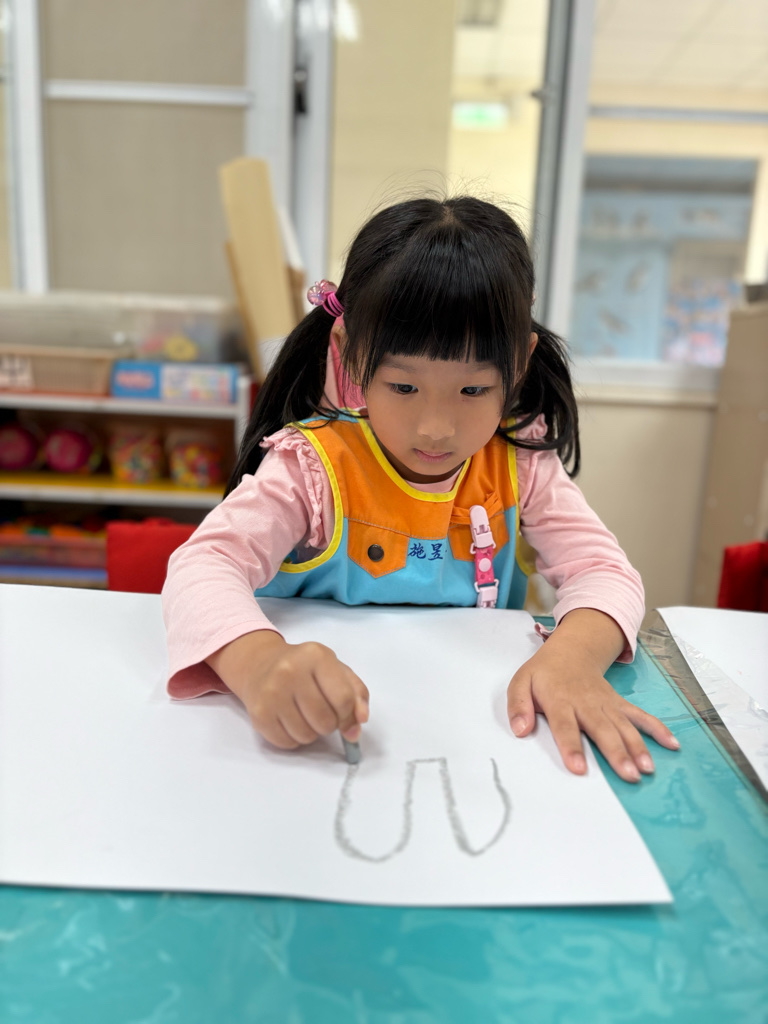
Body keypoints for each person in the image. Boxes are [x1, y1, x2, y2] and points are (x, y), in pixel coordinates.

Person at [162, 196, 680, 783]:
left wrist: (573, 659)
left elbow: (605, 572)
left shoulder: (520, 465)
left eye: (473, 390)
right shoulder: (312, 468)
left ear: (518, 365)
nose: (436, 428)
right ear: (349, 353)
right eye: (404, 388)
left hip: (473, 739)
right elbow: (204, 565)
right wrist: (257, 663)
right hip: (323, 747)